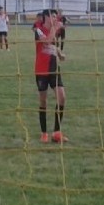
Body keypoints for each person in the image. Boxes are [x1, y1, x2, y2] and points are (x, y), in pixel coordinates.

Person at [34, 9, 67, 143]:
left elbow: (53, 45)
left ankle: (57, 133)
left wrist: (60, 55)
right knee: (43, 101)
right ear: (46, 17)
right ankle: (44, 133)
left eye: (56, 17)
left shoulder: (56, 30)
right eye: (53, 16)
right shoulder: (38, 29)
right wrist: (55, 28)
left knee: (62, 98)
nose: (56, 19)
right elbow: (47, 42)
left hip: (54, 69)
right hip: (41, 70)